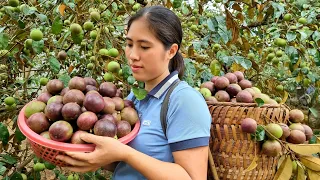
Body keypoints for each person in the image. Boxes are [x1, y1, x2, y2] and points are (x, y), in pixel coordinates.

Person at [56, 5, 212, 180]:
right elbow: (128, 166)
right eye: (129, 44)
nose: (133, 55)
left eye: (144, 47)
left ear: (171, 51)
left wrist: (125, 154)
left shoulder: (184, 100)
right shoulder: (133, 99)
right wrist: (87, 155)